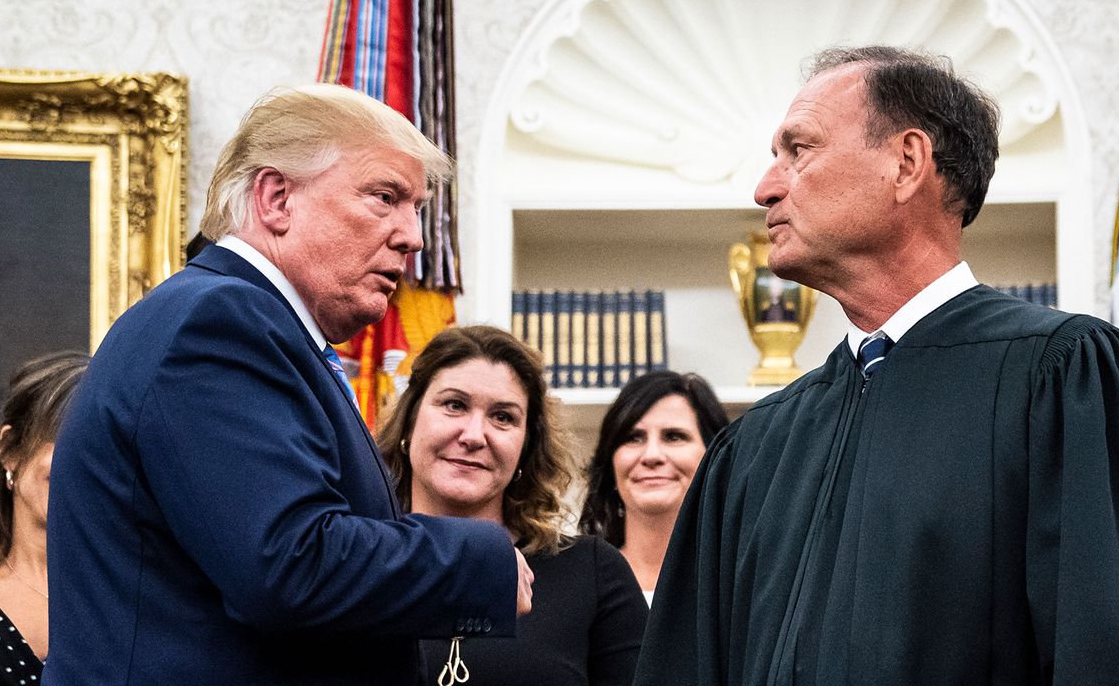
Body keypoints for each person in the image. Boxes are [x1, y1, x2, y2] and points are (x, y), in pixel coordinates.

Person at [633, 46, 1119, 685]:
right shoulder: (755, 448)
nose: (765, 187)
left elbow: (1115, 658)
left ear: (906, 162)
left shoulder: (1063, 378)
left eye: (798, 150)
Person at [44, 85, 532, 685]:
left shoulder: (250, 325)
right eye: (385, 198)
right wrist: (480, 563)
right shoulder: (218, 322)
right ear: (276, 198)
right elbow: (285, 563)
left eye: (417, 208)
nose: (414, 236)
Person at [377, 324, 649, 686]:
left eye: (503, 417)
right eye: (454, 405)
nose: (474, 436)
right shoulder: (357, 563)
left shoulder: (592, 573)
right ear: (410, 421)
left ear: (526, 447)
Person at [0, 350, 88, 685]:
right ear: (10, 450)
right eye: (62, 436)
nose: (78, 461)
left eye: (94, 445)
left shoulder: (135, 595)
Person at [578, 370, 727, 604]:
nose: (651, 455)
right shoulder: (576, 582)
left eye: (673, 436)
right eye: (633, 438)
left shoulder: (738, 585)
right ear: (610, 462)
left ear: (714, 457)